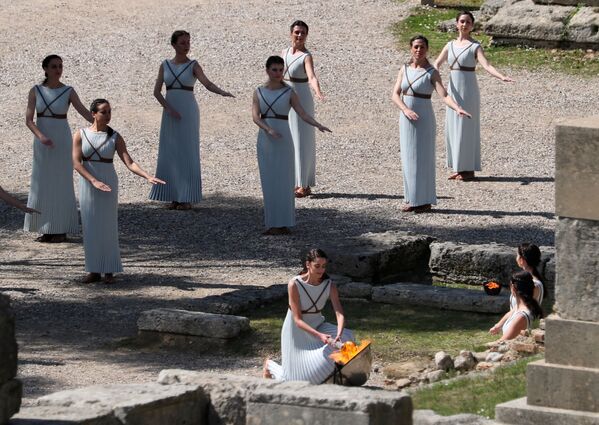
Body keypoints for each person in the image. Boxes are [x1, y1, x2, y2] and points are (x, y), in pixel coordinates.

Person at [73, 99, 165, 284]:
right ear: (93, 114)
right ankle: (93, 270)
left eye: (109, 112)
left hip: (108, 182)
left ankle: (109, 271)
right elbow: (76, 162)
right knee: (90, 226)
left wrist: (147, 176)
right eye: (103, 112)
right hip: (89, 183)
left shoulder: (115, 137)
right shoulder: (80, 134)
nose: (107, 115)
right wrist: (93, 180)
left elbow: (129, 162)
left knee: (108, 226)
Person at [149, 30, 234, 210]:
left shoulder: (194, 65)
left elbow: (207, 83)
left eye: (188, 42)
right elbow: (156, 92)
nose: (186, 46)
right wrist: (168, 108)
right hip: (170, 112)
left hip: (188, 111)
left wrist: (222, 92)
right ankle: (172, 195)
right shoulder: (165, 65)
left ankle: (186, 196)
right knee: (170, 151)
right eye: (182, 43)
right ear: (173, 45)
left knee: (187, 151)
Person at [391, 35, 471, 213]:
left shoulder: (432, 72)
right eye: (416, 47)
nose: (419, 50)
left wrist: (457, 108)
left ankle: (424, 200)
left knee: (423, 158)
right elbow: (395, 94)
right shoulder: (403, 69)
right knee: (408, 158)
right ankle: (412, 198)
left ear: (427, 49)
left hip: (424, 117)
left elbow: (444, 95)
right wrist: (405, 109)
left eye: (422, 47)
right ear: (411, 48)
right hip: (406, 118)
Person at [252, 56, 331, 235]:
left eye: (281, 70)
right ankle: (272, 223)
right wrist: (268, 130)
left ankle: (284, 222)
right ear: (267, 70)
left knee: (285, 180)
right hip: (266, 140)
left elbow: (302, 113)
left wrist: (317, 124)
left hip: (284, 139)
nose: (278, 73)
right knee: (269, 181)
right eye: (274, 70)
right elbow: (255, 117)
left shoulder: (289, 92)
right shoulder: (258, 91)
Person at [434, 11, 514, 181]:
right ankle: (459, 167)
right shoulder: (449, 45)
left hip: (469, 91)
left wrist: (501, 76)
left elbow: (487, 65)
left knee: (467, 128)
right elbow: (436, 64)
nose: (464, 24)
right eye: (462, 21)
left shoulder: (475, 46)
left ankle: (468, 169)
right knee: (454, 127)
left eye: (468, 22)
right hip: (453, 91)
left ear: (472, 25)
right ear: (456, 24)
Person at [24, 54, 93, 242]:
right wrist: (41, 136)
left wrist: (100, 121)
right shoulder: (36, 91)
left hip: (62, 139)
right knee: (42, 182)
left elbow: (84, 112)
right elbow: (29, 120)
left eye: (60, 66)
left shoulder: (69, 91)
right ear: (45, 69)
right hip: (43, 140)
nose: (58, 70)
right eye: (54, 66)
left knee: (62, 182)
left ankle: (60, 229)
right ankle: (45, 228)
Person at [263, 249, 354, 383]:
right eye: (317, 266)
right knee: (294, 380)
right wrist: (320, 336)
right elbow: (298, 320)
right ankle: (269, 365)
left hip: (318, 324)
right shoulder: (294, 284)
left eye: (323, 266)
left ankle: (330, 378)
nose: (321, 270)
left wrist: (339, 333)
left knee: (347, 338)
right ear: (308, 264)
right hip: (296, 331)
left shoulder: (329, 285)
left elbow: (339, 313)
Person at [282, 20, 325, 198]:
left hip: (302, 97)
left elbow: (312, 77)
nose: (299, 36)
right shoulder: (284, 53)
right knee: (289, 138)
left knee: (302, 139)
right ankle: (293, 181)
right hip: (285, 97)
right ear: (291, 33)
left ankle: (304, 184)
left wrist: (318, 92)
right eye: (297, 32)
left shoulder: (306, 56)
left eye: (303, 33)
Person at [491, 243, 545, 331]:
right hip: (516, 325)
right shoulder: (527, 281)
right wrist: (499, 325)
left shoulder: (534, 285)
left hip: (521, 328)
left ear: (522, 260)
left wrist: (499, 325)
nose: (516, 257)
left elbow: (521, 308)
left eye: (517, 255)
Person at [489, 271, 543, 340]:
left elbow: (501, 343)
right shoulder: (529, 307)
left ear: (513, 288)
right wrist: (498, 326)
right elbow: (512, 311)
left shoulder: (521, 317)